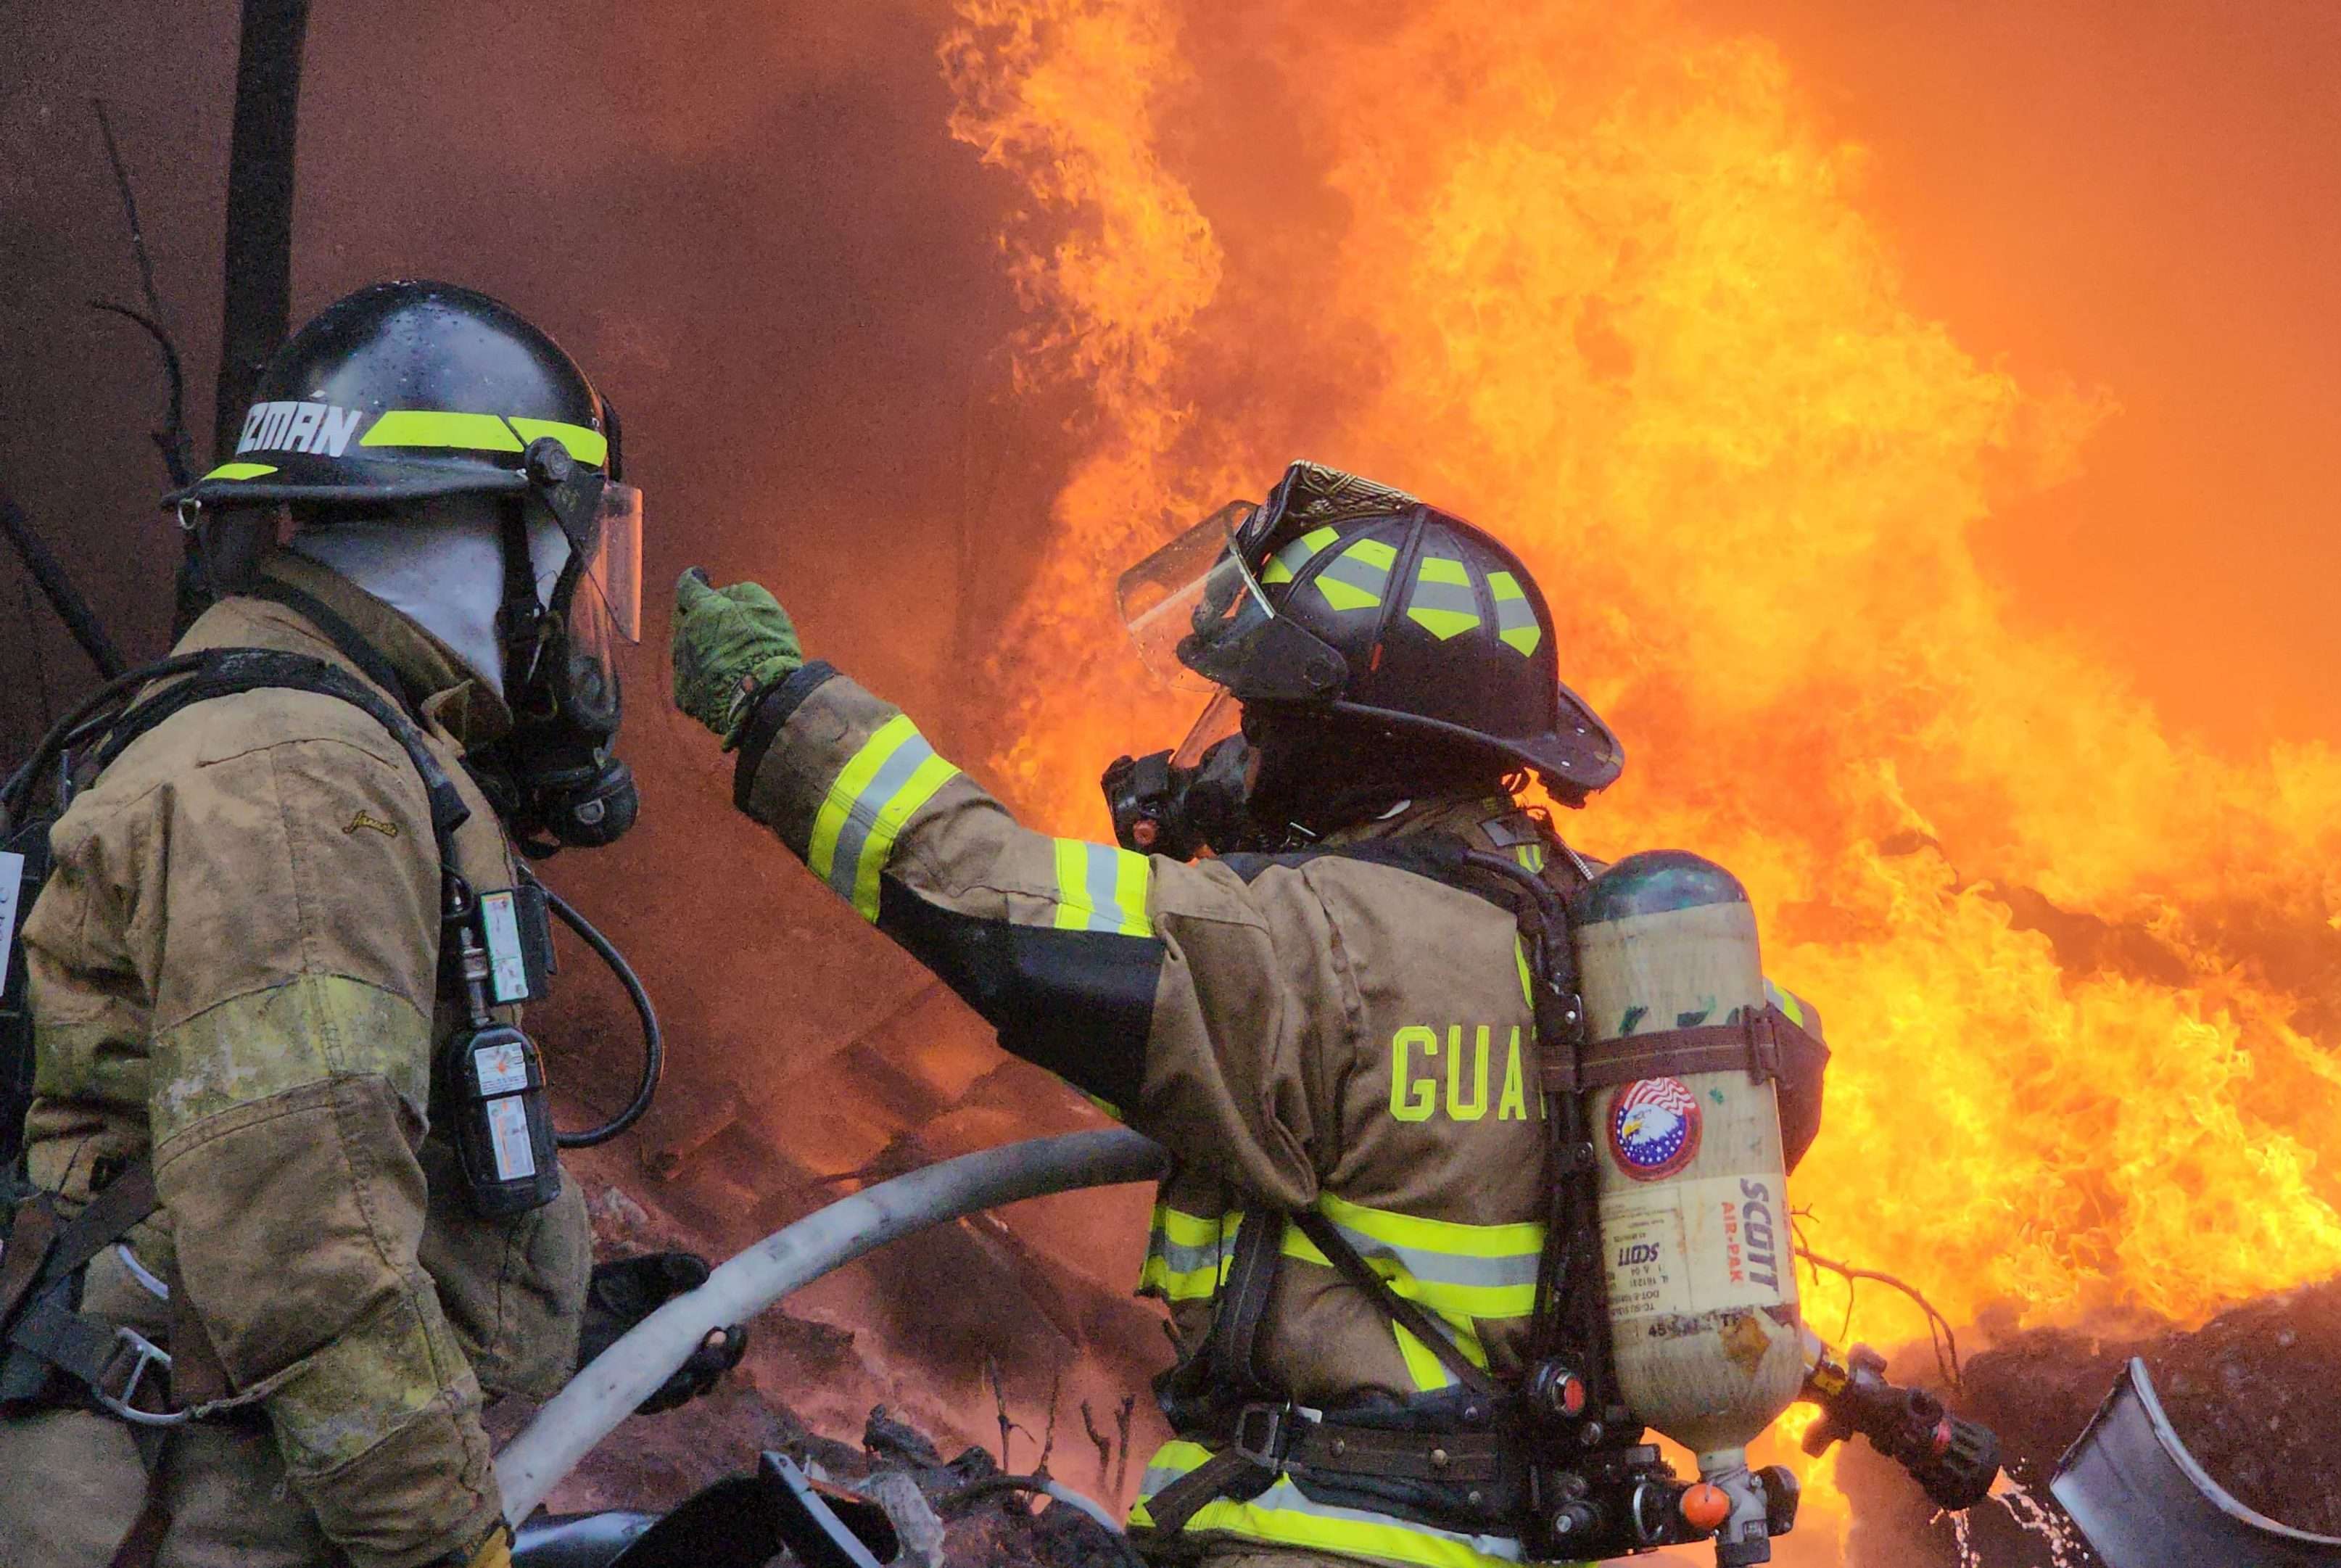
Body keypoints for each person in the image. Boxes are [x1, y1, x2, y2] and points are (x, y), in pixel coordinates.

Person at [671, 461, 1978, 1568]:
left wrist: (781, 708)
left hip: (1310, 1533)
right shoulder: (1632, 961)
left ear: (1351, 738)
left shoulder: (1316, 947)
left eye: (1268, 716)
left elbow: (998, 909)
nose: (1241, 743)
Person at [0, 280, 724, 1568]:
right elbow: (309, 1254)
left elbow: (304, 1173)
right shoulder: (302, 781)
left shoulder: (301, 717)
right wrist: (453, 1545)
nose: (572, 606)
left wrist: (570, 1323)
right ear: (490, 528)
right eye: (571, 551)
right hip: (173, 1518)